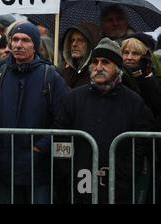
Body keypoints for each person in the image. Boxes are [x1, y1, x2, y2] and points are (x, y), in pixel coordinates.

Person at [54, 37, 153, 203]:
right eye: (95, 62)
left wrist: (124, 173)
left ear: (117, 67)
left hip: (118, 187)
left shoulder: (133, 102)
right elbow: (60, 135)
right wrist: (67, 171)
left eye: (105, 62)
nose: (98, 67)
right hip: (77, 185)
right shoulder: (74, 98)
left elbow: (139, 144)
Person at [0, 22, 69, 204]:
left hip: (39, 167)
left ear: (36, 45)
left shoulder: (51, 77)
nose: (18, 45)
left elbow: (62, 119)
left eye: (25, 40)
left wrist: (40, 147)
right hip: (5, 167)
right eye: (15, 40)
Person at [61, 23, 101, 88]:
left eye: (80, 40)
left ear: (90, 45)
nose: (74, 44)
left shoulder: (96, 74)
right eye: (72, 40)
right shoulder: (64, 74)